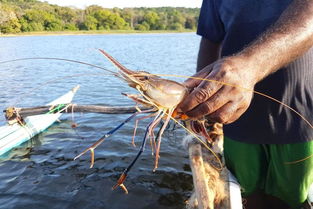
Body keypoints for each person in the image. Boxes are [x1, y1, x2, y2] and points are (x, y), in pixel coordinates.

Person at [178, 0, 313, 209]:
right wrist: (199, 104)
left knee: (292, 198)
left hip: (300, 117)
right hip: (236, 120)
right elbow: (210, 40)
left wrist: (250, 66)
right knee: (247, 195)